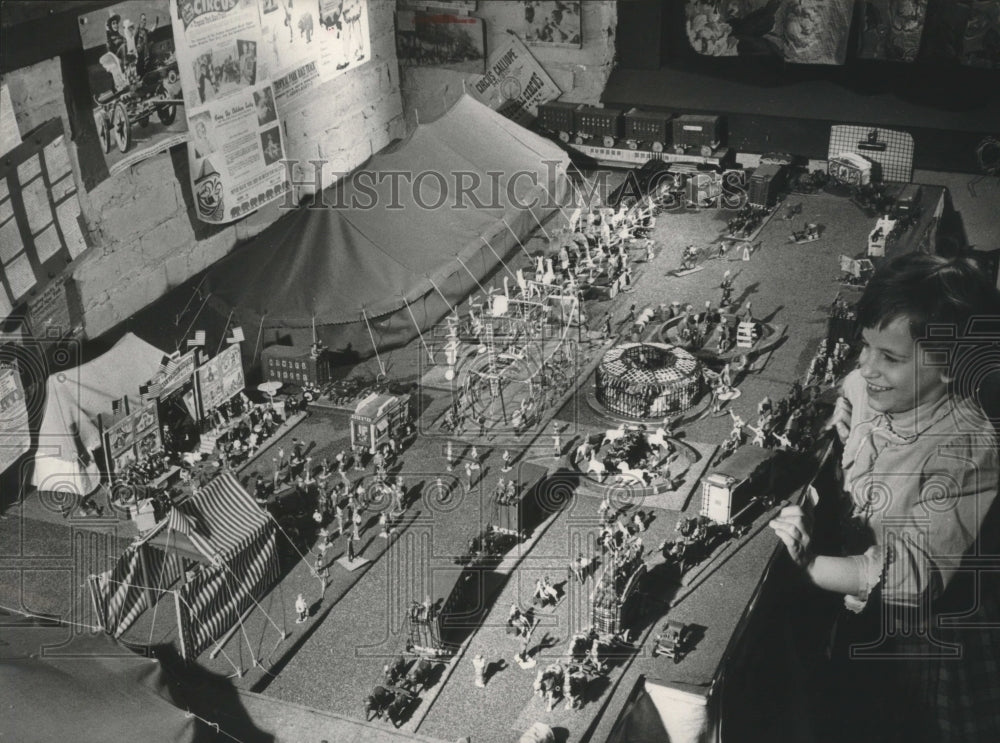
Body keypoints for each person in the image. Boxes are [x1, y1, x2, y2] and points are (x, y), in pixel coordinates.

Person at [769, 253, 1000, 742]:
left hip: (920, 644)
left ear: (953, 368)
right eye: (865, 345)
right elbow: (851, 386)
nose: (867, 366)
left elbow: (913, 580)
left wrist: (809, 563)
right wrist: (839, 409)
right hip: (862, 612)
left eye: (889, 358)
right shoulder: (876, 386)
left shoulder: (968, 452)